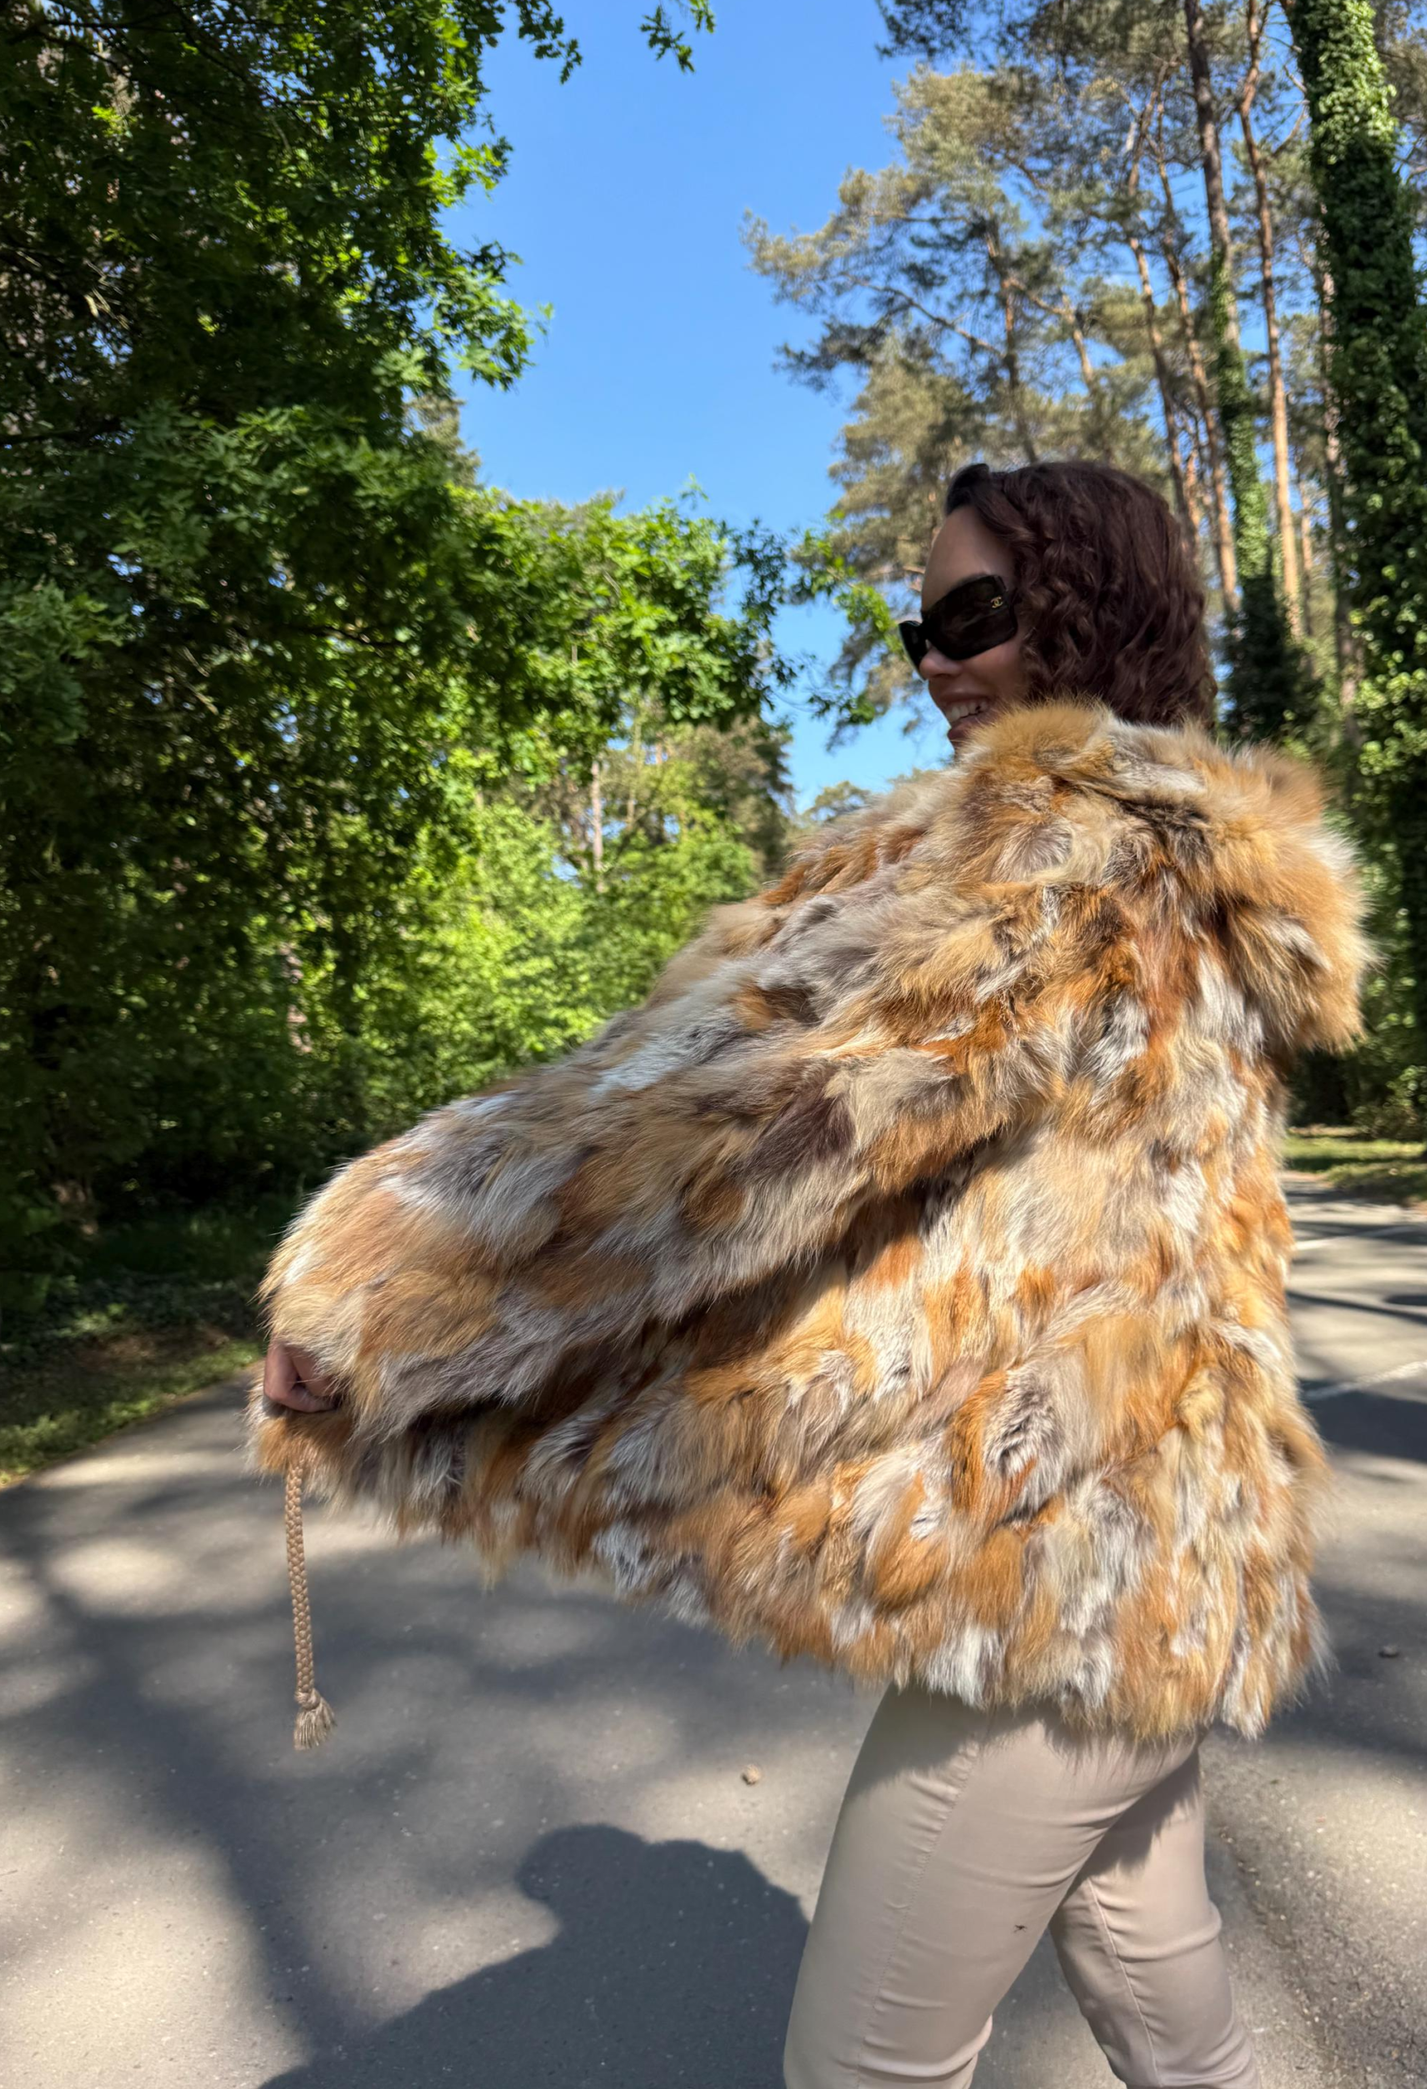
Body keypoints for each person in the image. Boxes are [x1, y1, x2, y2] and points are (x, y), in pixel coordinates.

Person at [259, 457, 1369, 2088]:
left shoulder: (1070, 846)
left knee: (865, 2069)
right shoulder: (1181, 864)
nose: (939, 661)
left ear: (1087, 605)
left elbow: (755, 1124)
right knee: (1169, 2011)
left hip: (1062, 1584)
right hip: (1176, 1558)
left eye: (974, 615)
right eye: (921, 629)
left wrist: (386, 1278)